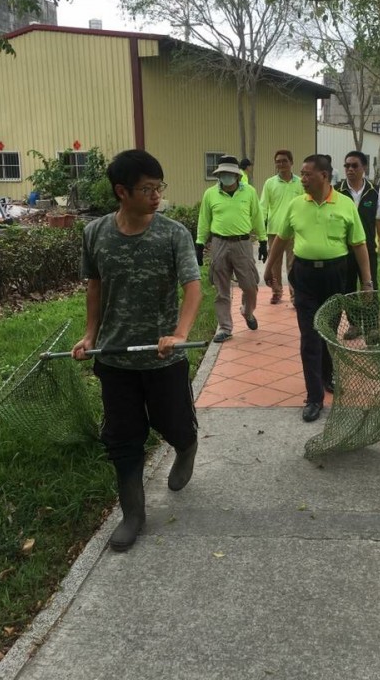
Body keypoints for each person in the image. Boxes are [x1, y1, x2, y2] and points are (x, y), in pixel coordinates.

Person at [72, 150, 202, 552]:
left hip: (164, 358)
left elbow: (192, 286)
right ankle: (133, 514)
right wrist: (91, 334)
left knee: (173, 421)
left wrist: (180, 333)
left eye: (159, 187)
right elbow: (95, 285)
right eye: (148, 188)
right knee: (123, 438)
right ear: (121, 192)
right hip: (114, 358)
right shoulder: (95, 233)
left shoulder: (172, 233)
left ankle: (186, 445)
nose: (156, 195)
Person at [264, 154, 373, 422]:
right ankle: (314, 397)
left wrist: (367, 282)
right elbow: (281, 238)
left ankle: (326, 378)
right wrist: (269, 268)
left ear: (324, 176)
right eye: (301, 173)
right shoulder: (296, 205)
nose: (302, 178)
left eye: (307, 174)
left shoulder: (346, 205)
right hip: (304, 275)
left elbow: (359, 245)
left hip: (336, 275)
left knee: (328, 332)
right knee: (310, 336)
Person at [196, 155, 267, 343]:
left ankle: (248, 312)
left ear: (237, 175)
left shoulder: (249, 192)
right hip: (219, 243)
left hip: (242, 244)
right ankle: (225, 328)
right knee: (221, 289)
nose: (226, 177)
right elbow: (204, 220)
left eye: (230, 173)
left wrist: (263, 240)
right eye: (223, 173)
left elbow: (257, 217)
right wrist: (199, 243)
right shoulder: (210, 194)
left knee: (250, 285)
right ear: (219, 175)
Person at [336, 150, 380, 339]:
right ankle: (354, 325)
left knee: (370, 286)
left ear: (364, 167)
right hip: (343, 250)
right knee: (348, 288)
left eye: (354, 165)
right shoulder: (337, 190)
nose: (350, 169)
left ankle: (373, 327)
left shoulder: (373, 190)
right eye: (347, 165)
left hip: (367, 248)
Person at [259, 150, 303, 304]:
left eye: (284, 161)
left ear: (291, 162)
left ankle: (294, 295)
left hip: (294, 231)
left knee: (293, 265)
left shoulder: (300, 182)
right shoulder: (270, 183)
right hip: (274, 231)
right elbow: (263, 206)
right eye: (278, 161)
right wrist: (260, 230)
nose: (281, 164)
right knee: (274, 264)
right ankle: (276, 292)